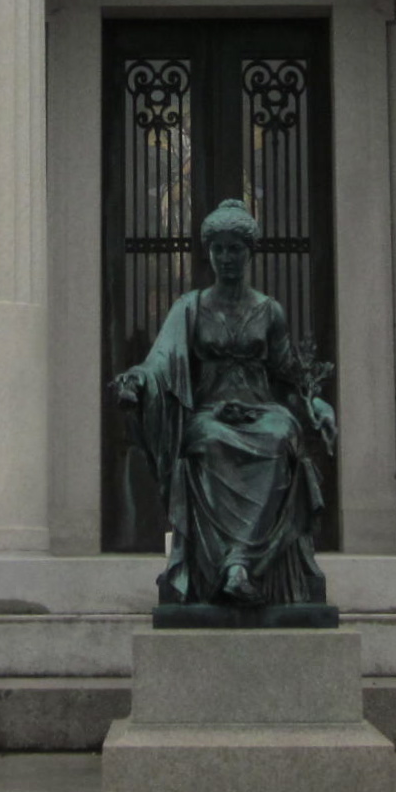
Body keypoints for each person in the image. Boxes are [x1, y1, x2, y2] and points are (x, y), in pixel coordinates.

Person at [111, 197, 336, 607]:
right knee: (208, 441)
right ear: (209, 253)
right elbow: (159, 362)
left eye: (235, 249)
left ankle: (240, 564)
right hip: (211, 414)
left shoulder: (269, 311)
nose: (227, 258)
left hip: (262, 411)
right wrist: (136, 380)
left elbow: (288, 375)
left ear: (249, 253)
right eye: (219, 249)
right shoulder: (190, 308)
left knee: (281, 436)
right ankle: (234, 565)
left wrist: (315, 404)